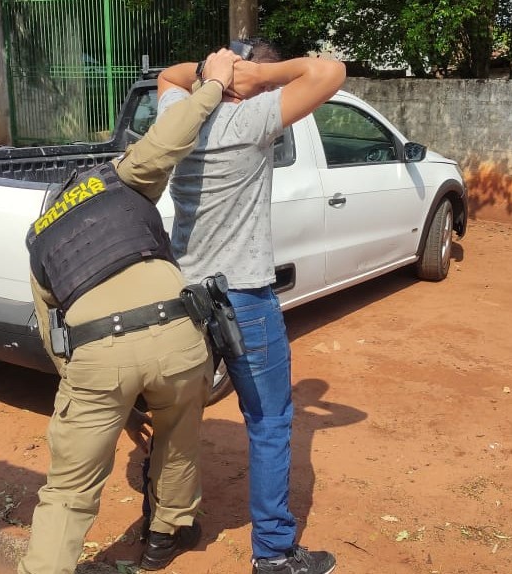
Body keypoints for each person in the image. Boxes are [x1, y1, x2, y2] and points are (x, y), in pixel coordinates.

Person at [18, 48, 241, 574]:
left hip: (97, 352)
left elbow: (56, 341)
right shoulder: (118, 177)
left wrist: (96, 394)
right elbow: (170, 138)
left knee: (69, 489)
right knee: (179, 434)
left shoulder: (38, 241)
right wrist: (211, 84)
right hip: (178, 336)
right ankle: (167, 534)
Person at [157, 40, 346, 574]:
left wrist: (211, 73)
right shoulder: (252, 120)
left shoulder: (182, 118)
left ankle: (165, 528)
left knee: (176, 417)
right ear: (256, 82)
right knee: (268, 422)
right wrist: (256, 77)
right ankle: (274, 552)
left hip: (180, 293)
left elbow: (168, 80)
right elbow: (328, 71)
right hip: (241, 297)